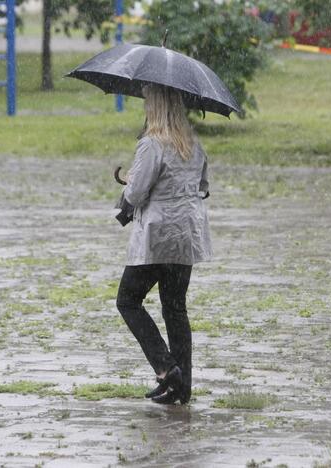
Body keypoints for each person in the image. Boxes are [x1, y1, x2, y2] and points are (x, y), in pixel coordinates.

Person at [116, 83, 212, 405]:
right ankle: (181, 386)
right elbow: (203, 185)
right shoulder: (193, 145)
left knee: (128, 300)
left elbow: (135, 195)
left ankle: (166, 368)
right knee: (175, 307)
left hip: (158, 238)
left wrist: (131, 181)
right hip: (186, 237)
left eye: (147, 101)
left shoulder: (152, 145)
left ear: (155, 106)